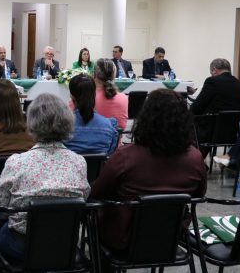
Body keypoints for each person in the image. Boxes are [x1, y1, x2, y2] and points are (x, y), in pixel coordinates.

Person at [90, 89, 207, 251]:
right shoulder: (195, 158)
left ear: (146, 118)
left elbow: (96, 193)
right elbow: (198, 195)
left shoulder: (125, 156)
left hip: (124, 238)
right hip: (170, 237)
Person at [0, 93, 90, 261]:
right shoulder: (79, 162)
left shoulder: (17, 162)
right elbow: (84, 197)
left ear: (31, 123)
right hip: (63, 242)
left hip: (22, 245)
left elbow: (1, 205)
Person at [191, 58, 240, 158]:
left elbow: (196, 108)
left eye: (211, 72)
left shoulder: (212, 81)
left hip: (209, 132)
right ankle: (199, 162)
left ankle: (193, 162)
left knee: (186, 122)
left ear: (214, 70)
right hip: (232, 133)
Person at [64, 74, 118, 154]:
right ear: (94, 94)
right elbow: (110, 155)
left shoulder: (62, 127)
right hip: (99, 166)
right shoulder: (109, 126)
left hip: (70, 166)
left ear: (72, 96)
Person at [93, 59, 128, 130]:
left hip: (93, 140)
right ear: (114, 75)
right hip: (115, 140)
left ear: (94, 74)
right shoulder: (124, 98)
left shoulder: (89, 97)